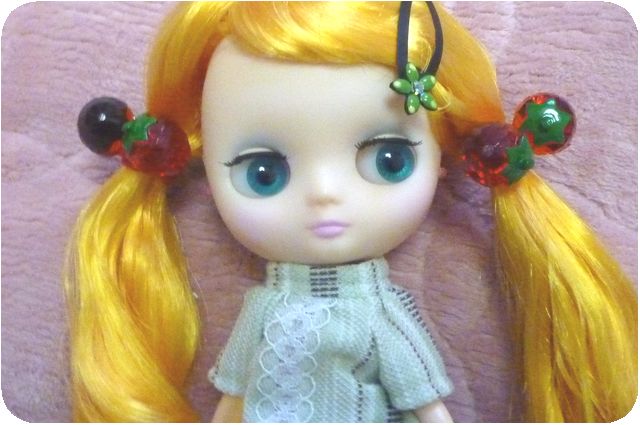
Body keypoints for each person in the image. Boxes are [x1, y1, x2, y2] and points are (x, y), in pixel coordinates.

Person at [66, 2, 637, 422]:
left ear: (443, 158)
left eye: (389, 161)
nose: (324, 195)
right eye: (263, 173)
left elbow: (420, 395)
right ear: (201, 165)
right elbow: (236, 392)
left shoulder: (378, 310)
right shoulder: (266, 309)